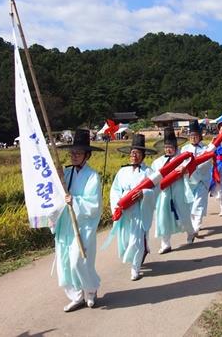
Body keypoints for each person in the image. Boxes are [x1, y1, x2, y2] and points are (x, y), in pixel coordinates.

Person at [56, 128, 103, 312]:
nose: (74, 156)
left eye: (78, 153)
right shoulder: (66, 173)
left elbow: (93, 204)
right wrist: (57, 176)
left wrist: (74, 201)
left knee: (79, 260)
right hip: (66, 224)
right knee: (65, 261)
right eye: (72, 152)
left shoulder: (93, 176)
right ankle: (76, 296)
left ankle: (91, 290)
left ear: (87, 155)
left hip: (83, 226)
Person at [109, 133, 158, 281]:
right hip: (125, 210)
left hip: (139, 210)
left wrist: (144, 193)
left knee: (136, 240)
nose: (134, 156)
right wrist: (118, 203)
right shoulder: (122, 171)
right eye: (132, 153)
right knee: (125, 240)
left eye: (137, 153)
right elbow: (115, 189)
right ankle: (138, 256)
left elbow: (156, 190)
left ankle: (135, 268)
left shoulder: (149, 172)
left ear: (143, 155)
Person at [151, 127, 194, 254]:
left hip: (178, 189)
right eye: (166, 147)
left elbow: (191, 169)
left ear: (176, 147)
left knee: (183, 213)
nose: (168, 149)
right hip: (163, 193)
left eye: (171, 146)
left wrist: (185, 170)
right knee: (162, 216)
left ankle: (190, 232)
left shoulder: (182, 159)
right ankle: (165, 243)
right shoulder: (157, 162)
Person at [181, 120, 213, 233]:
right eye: (191, 135)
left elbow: (207, 163)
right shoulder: (184, 149)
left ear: (200, 136)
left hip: (201, 180)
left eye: (195, 135)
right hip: (188, 181)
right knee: (190, 204)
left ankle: (197, 226)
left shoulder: (205, 149)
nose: (193, 138)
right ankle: (193, 223)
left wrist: (195, 167)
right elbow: (180, 163)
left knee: (199, 203)